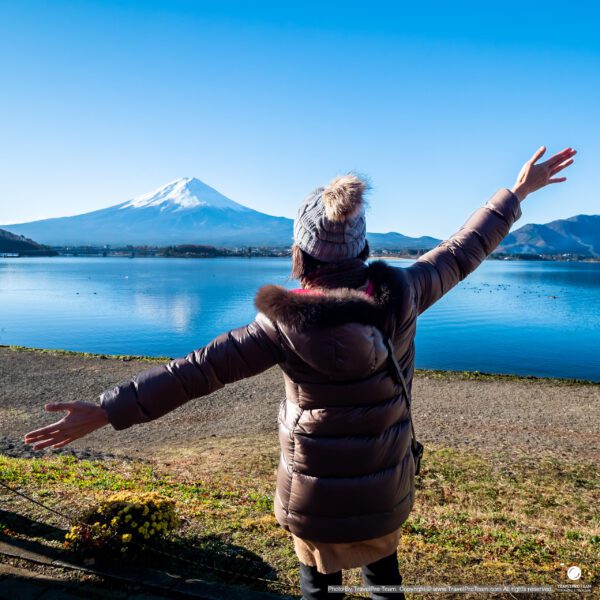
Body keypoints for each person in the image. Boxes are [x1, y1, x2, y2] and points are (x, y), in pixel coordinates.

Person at [24, 145, 576, 600]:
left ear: (301, 252)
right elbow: (463, 249)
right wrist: (516, 192)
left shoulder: (278, 326)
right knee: (385, 584)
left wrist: (106, 408)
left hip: (310, 493)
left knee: (317, 590)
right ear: (361, 245)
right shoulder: (403, 293)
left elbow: (196, 372)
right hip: (383, 483)